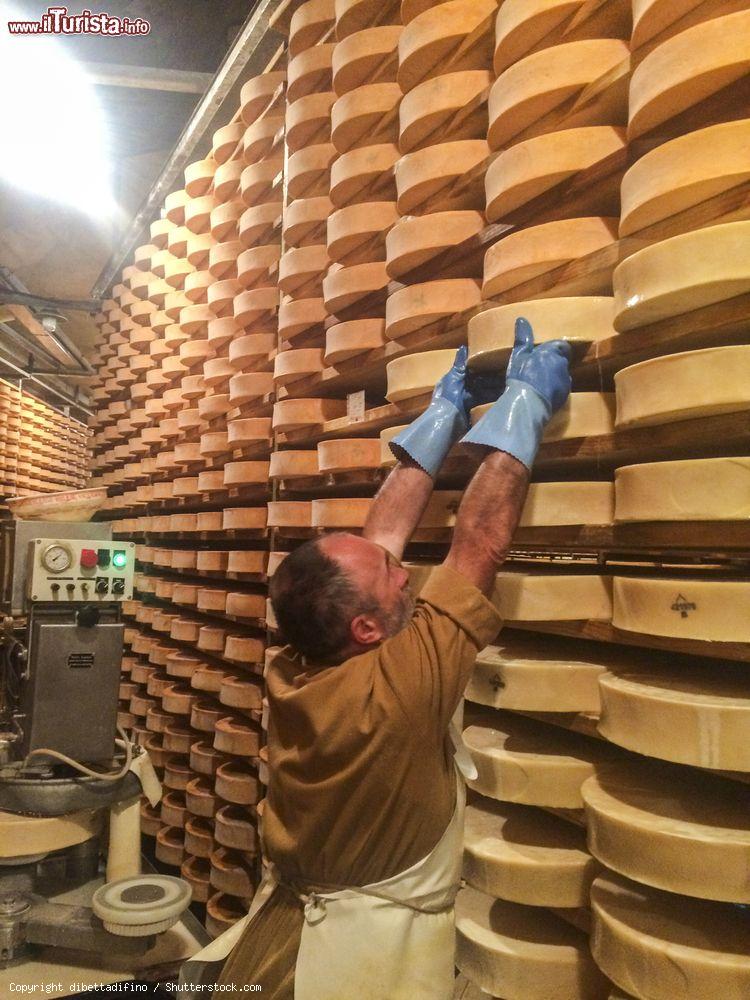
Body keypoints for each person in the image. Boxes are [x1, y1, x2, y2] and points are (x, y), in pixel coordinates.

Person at [180, 318, 571, 999]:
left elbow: (377, 540)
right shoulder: (399, 688)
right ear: (366, 629)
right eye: (393, 579)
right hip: (361, 959)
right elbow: (477, 545)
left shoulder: (299, 661)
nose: (404, 574)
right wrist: (523, 406)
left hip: (294, 918)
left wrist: (438, 424)